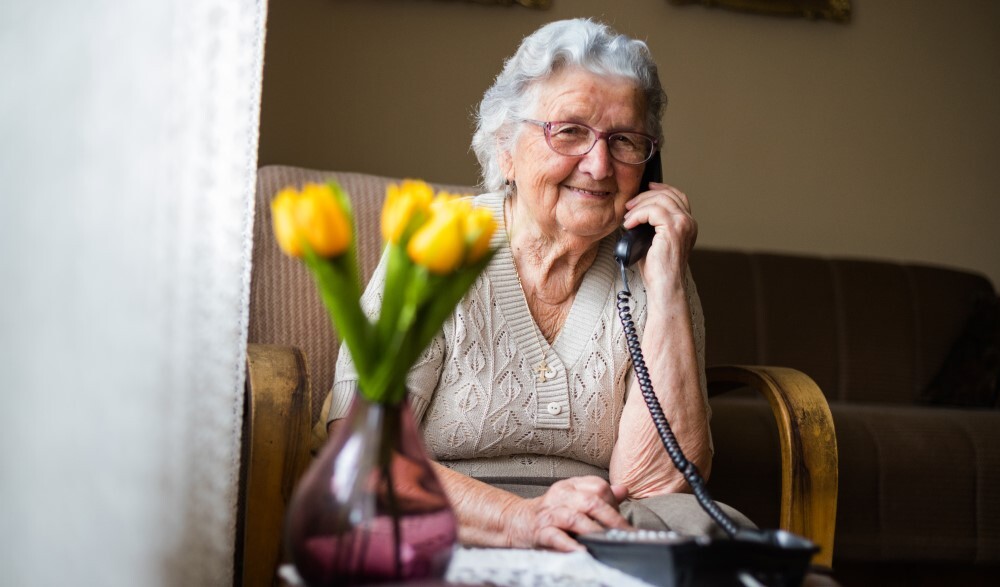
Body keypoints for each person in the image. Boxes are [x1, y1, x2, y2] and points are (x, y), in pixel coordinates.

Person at [327, 17, 752, 552]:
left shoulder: (652, 260)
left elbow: (660, 487)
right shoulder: (435, 246)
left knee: (719, 541)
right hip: (449, 517)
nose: (599, 166)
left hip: (598, 528)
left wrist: (665, 288)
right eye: (569, 130)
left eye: (625, 141)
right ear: (505, 147)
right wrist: (522, 519)